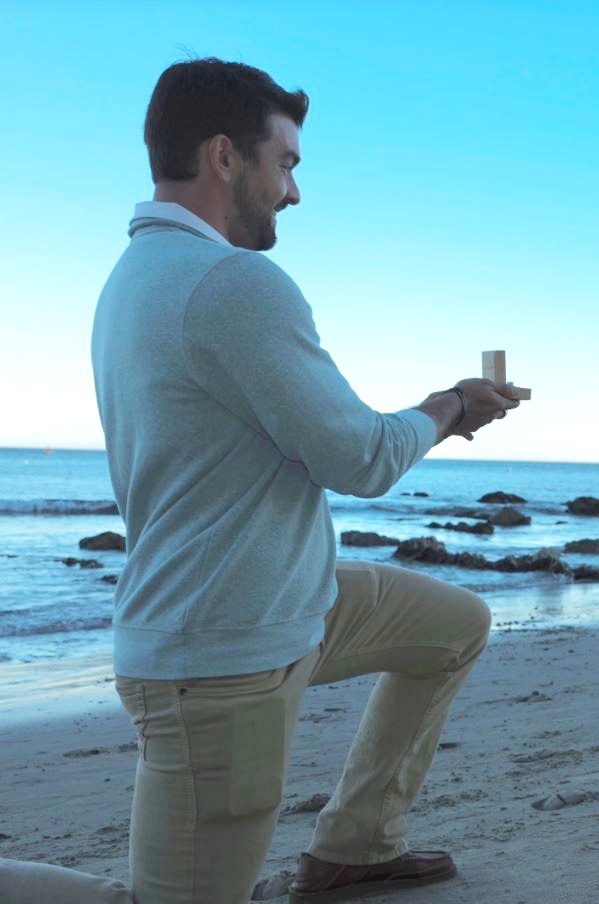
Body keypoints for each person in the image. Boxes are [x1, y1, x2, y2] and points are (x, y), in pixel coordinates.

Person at [83, 58, 519, 903]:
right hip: (221, 652)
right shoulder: (229, 281)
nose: (293, 192)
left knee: (455, 625)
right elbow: (361, 458)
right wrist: (451, 406)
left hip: (290, 603)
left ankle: (357, 846)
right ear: (224, 156)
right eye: (284, 164)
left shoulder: (135, 275)